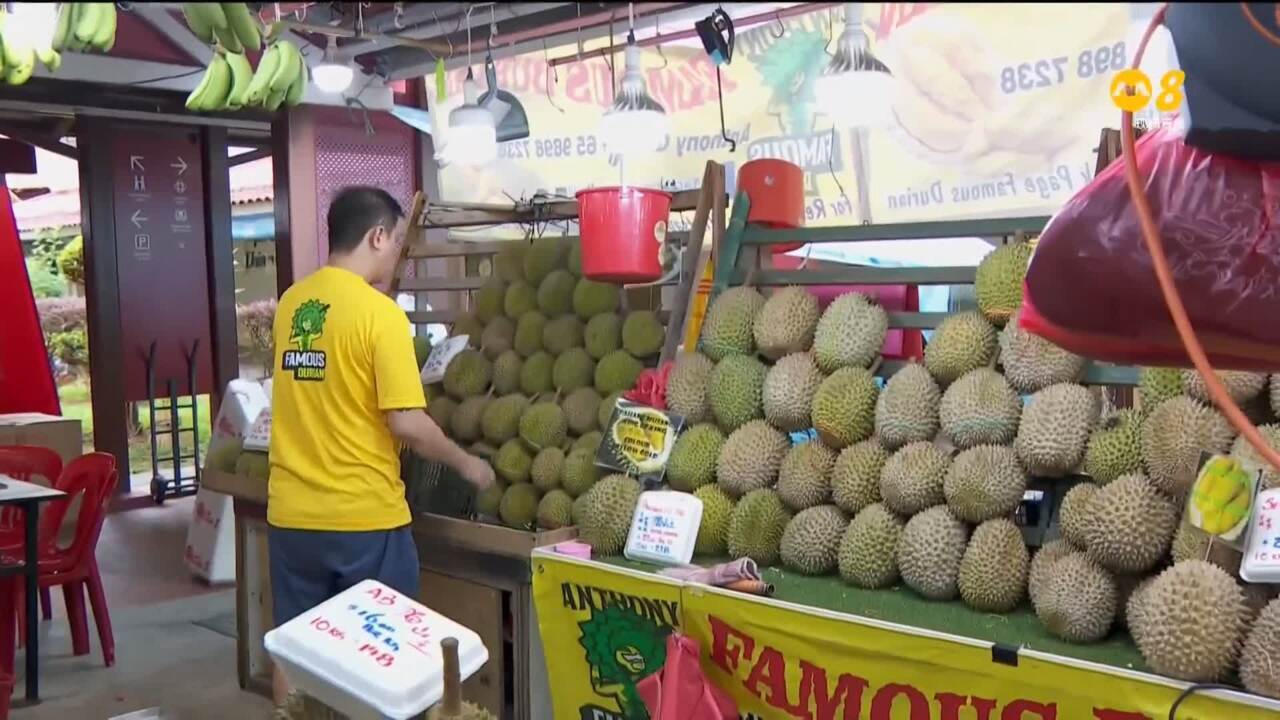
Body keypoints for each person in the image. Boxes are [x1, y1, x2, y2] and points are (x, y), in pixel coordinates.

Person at [266, 186, 495, 702]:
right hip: (362, 519)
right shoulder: (380, 315)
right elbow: (406, 423)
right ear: (376, 236)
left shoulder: (292, 304)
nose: (396, 254)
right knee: (380, 658)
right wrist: (465, 463)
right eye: (395, 242)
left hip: (292, 516)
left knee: (295, 648)